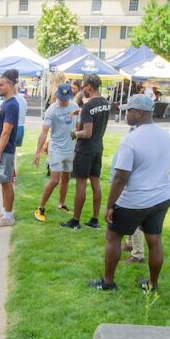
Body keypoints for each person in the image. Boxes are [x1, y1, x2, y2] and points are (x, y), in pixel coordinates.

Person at [88, 94, 170, 292]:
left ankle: (108, 282)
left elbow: (120, 178)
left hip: (135, 200)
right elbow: (169, 168)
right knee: (154, 240)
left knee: (113, 236)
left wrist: (110, 205)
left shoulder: (130, 140)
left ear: (139, 113)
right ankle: (152, 285)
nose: (125, 114)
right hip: (161, 197)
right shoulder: (168, 138)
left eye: (129, 111)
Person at [63, 74, 109, 230]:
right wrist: (81, 111)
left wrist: (74, 133)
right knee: (96, 183)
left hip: (85, 149)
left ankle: (75, 221)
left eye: (83, 87)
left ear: (89, 86)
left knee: (81, 185)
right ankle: (95, 220)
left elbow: (87, 132)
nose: (82, 90)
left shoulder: (89, 106)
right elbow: (94, 113)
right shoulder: (105, 102)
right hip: (98, 147)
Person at [33, 84, 79, 222]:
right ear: (57, 95)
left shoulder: (74, 106)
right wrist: (38, 152)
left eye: (66, 98)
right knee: (54, 180)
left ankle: (61, 204)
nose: (63, 101)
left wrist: (76, 146)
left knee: (66, 179)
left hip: (70, 148)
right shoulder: (51, 110)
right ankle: (40, 208)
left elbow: (77, 127)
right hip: (56, 149)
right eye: (61, 98)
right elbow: (44, 131)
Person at [0, 68, 21, 228]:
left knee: (6, 181)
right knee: (2, 181)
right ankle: (3, 210)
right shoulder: (5, 103)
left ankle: (8, 216)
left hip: (5, 150)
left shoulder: (12, 105)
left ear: (9, 85)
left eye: (1, 85)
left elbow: (6, 132)